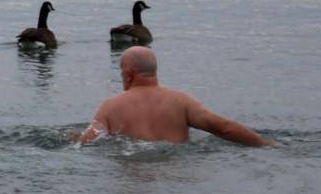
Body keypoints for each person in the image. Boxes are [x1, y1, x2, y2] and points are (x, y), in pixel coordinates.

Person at [77, 46, 271, 147]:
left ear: (127, 75)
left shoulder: (110, 106)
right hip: (175, 171)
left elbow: (86, 142)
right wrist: (266, 143)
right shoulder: (181, 101)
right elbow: (224, 129)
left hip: (134, 169)